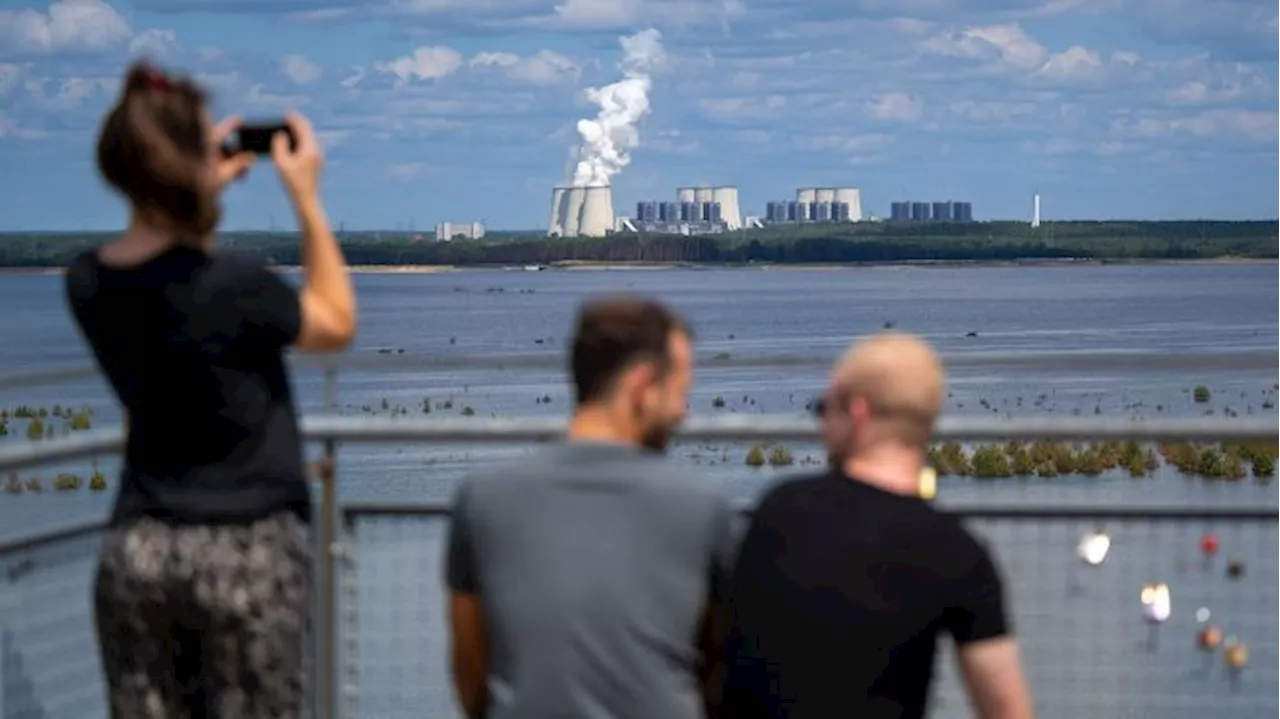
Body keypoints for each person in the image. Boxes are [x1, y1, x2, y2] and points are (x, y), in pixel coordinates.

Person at [65, 61, 356, 717]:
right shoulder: (236, 283)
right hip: (247, 548)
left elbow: (165, 265)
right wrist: (305, 197)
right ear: (191, 162)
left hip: (137, 547)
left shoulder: (86, 281)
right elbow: (334, 322)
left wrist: (196, 184)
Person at [446, 296, 737, 719]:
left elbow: (471, 669)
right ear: (641, 386)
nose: (684, 413)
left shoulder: (482, 499)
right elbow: (719, 665)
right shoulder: (702, 508)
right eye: (679, 392)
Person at [722, 333, 1034, 719]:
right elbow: (1006, 708)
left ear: (857, 413)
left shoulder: (779, 511)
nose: (820, 426)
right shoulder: (957, 553)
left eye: (824, 409)